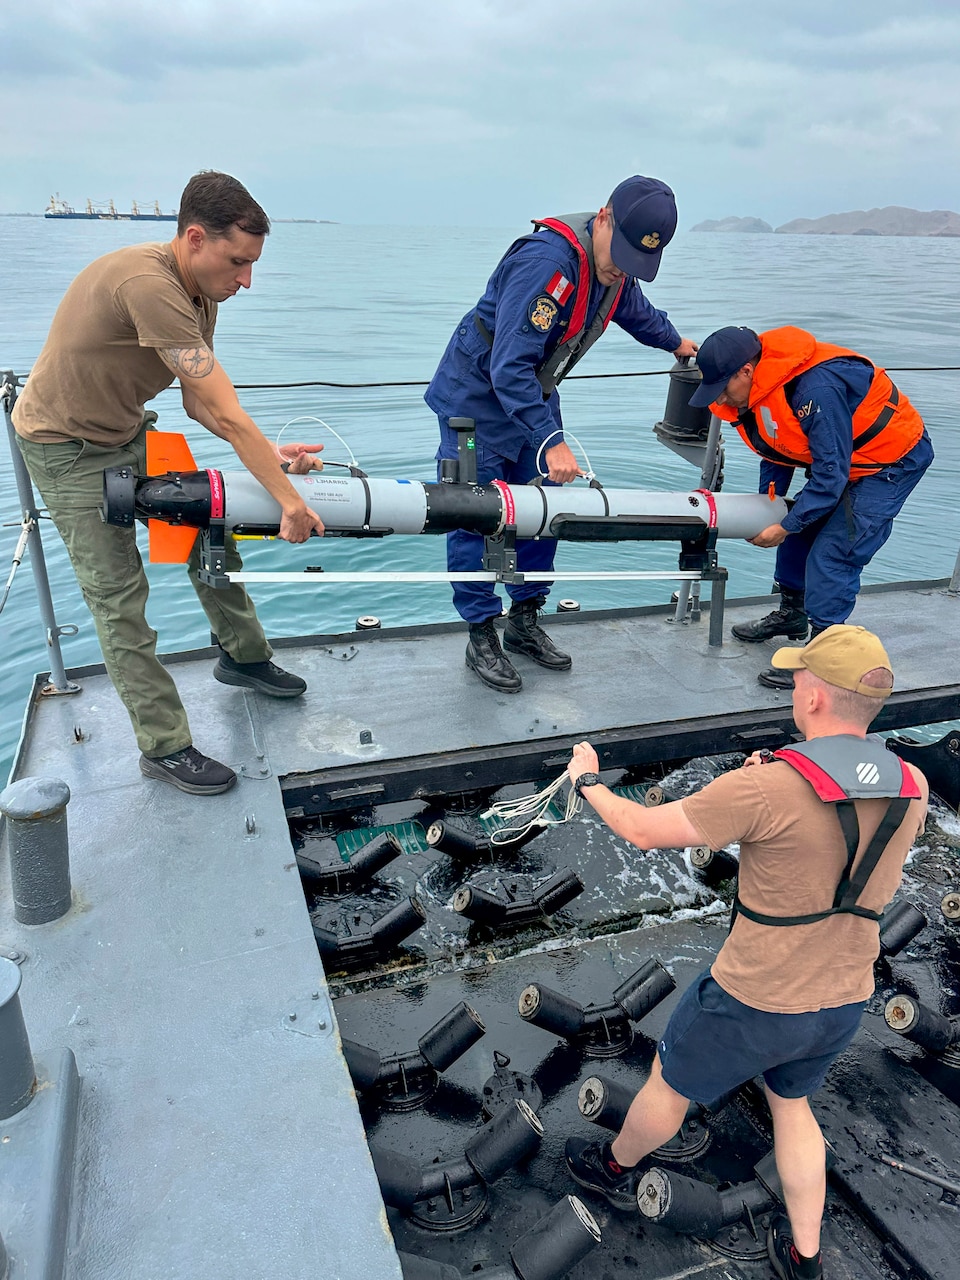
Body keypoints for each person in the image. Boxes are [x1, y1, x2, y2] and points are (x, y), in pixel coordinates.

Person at [563, 625, 927, 1280]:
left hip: (751, 999)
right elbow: (832, 833)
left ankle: (614, 1165)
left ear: (814, 699)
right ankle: (805, 1256)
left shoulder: (767, 788)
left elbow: (645, 831)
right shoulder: (915, 786)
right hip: (843, 998)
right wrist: (758, 789)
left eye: (798, 679)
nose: (794, 688)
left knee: (669, 1087)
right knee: (792, 1108)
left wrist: (587, 781)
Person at [13, 171, 326, 797]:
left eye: (253, 264)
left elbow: (201, 405)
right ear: (194, 239)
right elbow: (228, 410)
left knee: (206, 526)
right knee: (120, 599)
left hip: (129, 429)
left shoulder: (202, 294)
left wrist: (269, 456)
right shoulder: (149, 284)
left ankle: (243, 657)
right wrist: (288, 501)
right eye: (237, 262)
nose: (247, 280)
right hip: (66, 448)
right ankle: (164, 747)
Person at [425, 176, 698, 694]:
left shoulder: (614, 269)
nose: (620, 270)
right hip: (476, 401)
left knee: (546, 512)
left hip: (533, 396)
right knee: (473, 513)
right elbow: (507, 366)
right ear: (603, 217)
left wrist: (678, 344)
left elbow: (633, 312)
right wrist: (552, 439)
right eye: (618, 255)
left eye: (634, 265)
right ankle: (481, 632)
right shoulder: (545, 264)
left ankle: (525, 619)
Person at [688, 325, 933, 688]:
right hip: (847, 461)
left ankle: (824, 654)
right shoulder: (762, 390)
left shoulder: (815, 389)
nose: (721, 400)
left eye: (723, 388)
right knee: (797, 527)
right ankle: (793, 613)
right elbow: (777, 445)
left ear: (746, 371)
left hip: (892, 461)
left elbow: (831, 476)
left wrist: (784, 526)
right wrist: (769, 506)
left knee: (835, 550)